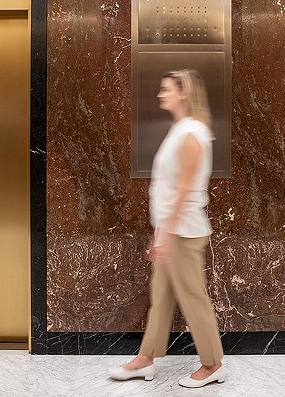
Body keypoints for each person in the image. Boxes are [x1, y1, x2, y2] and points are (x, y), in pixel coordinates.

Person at [109, 69, 225, 388]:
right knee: (160, 297)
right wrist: (160, 231)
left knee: (192, 296)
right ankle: (145, 359)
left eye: (166, 89)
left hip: (184, 232)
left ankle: (213, 364)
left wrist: (169, 232)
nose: (161, 94)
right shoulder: (181, 129)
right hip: (172, 229)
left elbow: (185, 188)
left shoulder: (192, 133)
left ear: (183, 93)